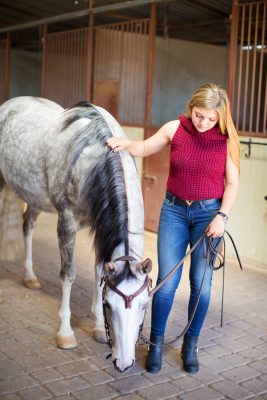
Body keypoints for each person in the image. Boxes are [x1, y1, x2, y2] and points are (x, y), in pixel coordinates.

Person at [107, 83, 240, 374]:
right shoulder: (174, 129)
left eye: (211, 118)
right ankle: (155, 344)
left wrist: (223, 217)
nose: (204, 123)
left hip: (209, 216)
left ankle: (190, 346)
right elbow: (143, 147)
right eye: (199, 115)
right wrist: (125, 143)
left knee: (201, 287)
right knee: (166, 284)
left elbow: (232, 183)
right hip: (174, 212)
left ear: (220, 116)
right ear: (191, 108)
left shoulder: (226, 140)